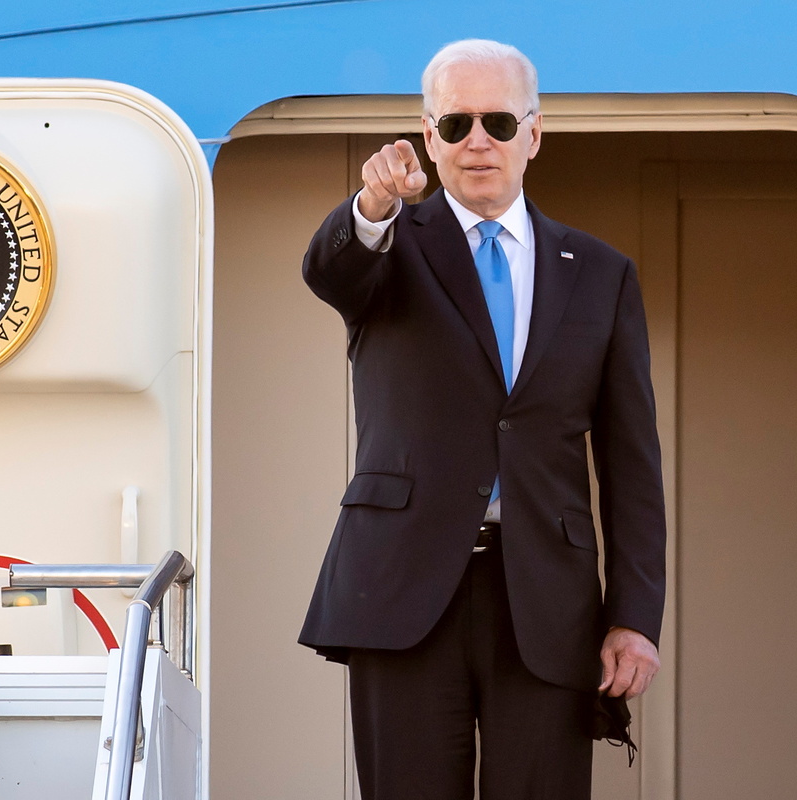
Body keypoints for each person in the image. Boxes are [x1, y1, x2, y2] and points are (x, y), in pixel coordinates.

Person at [298, 39, 667, 799]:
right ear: (428, 136)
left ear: (534, 134)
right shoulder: (387, 243)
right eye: (455, 123)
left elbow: (632, 463)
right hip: (402, 589)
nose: (478, 141)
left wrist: (634, 616)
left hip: (545, 599)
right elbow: (331, 271)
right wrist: (373, 205)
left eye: (498, 122)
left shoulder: (601, 274)